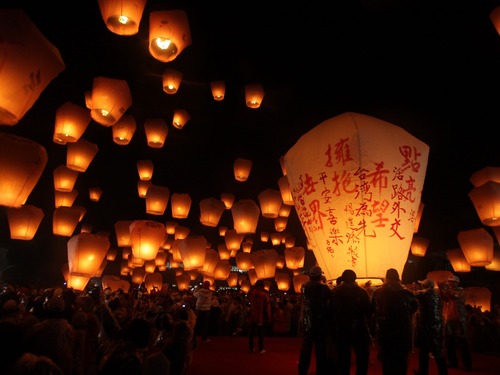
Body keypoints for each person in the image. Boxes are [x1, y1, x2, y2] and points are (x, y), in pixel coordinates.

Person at [370, 268, 418, 375]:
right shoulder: (407, 294)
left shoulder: (377, 293)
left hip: (384, 332)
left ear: (386, 278)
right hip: (403, 332)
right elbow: (414, 309)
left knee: (387, 362)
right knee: (402, 361)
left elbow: (372, 310)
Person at [331, 269, 372, 375]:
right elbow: (368, 311)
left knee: (343, 357)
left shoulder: (336, 292)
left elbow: (331, 310)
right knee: (362, 356)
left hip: (341, 329)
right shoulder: (362, 292)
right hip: (359, 328)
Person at [298, 266, 334, 375]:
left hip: (307, 319)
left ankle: (302, 370)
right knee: (320, 348)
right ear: (320, 276)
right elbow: (329, 304)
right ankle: (321, 370)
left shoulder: (304, 286)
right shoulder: (325, 288)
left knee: (306, 346)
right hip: (321, 320)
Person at [413, 278, 448, 375]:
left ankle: (423, 372)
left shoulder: (423, 294)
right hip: (437, 325)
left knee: (424, 351)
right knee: (437, 351)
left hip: (426, 325)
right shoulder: (437, 294)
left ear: (424, 286)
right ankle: (443, 372)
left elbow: (411, 295)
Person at [438, 274, 472, 372]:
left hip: (459, 320)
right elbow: (443, 297)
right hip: (449, 319)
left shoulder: (461, 291)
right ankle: (453, 362)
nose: (450, 284)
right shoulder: (449, 292)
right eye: (449, 282)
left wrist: (447, 288)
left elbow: (454, 295)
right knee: (450, 342)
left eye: (452, 282)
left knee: (462, 343)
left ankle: (467, 364)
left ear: (457, 283)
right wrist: (440, 288)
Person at [247, 279, 271, 354]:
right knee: (260, 333)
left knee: (251, 332)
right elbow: (267, 306)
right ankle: (261, 348)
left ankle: (251, 348)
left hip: (253, 315)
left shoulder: (251, 293)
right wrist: (268, 316)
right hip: (261, 315)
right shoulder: (264, 294)